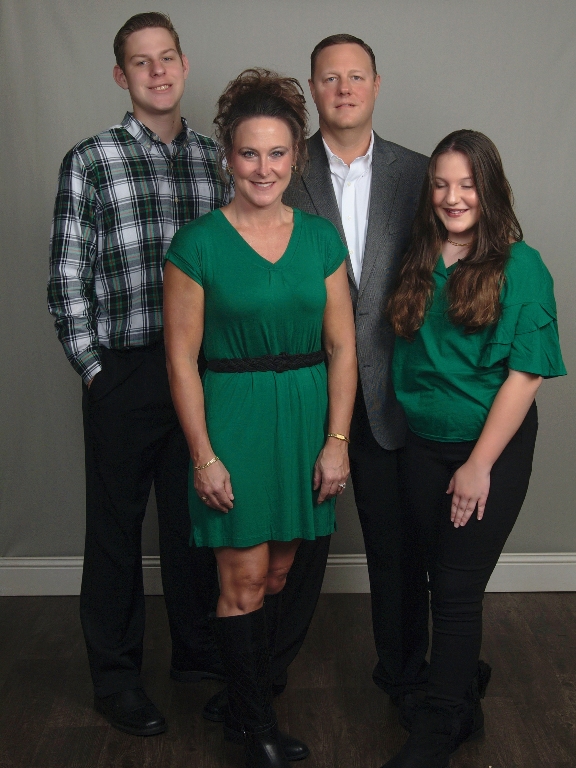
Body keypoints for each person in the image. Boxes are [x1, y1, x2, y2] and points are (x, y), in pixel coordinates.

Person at [163, 68, 357, 767]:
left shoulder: (321, 240)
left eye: (277, 153)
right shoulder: (196, 245)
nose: (264, 168)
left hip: (304, 419)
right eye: (249, 153)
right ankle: (256, 730)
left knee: (275, 577)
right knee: (241, 581)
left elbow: (343, 347)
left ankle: (245, 698)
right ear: (227, 157)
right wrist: (204, 456)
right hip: (235, 419)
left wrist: (337, 441)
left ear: (296, 157)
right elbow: (180, 360)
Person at [47, 12, 229, 736]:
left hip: (201, 371)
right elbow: (67, 278)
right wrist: (95, 371)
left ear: (184, 65)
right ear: (121, 76)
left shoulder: (216, 160)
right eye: (141, 62)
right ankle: (117, 679)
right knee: (116, 529)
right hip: (123, 370)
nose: (158, 72)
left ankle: (196, 652)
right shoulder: (90, 161)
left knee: (193, 519)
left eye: (167, 57)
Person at [383, 129, 567, 768]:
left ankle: (438, 730)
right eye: (441, 184)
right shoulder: (418, 255)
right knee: (431, 574)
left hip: (488, 450)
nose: (453, 197)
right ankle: (461, 693)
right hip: (421, 445)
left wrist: (478, 465)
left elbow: (527, 374)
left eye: (467, 184)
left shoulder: (522, 265)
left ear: (491, 190)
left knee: (456, 589)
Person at [283, 34, 431, 706]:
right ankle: (261, 681)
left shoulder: (420, 174)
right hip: (302, 388)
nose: (343, 89)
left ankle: (403, 678)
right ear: (312, 88)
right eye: (329, 77)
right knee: (286, 547)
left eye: (356, 76)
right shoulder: (280, 168)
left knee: (396, 553)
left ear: (376, 84)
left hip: (390, 397)